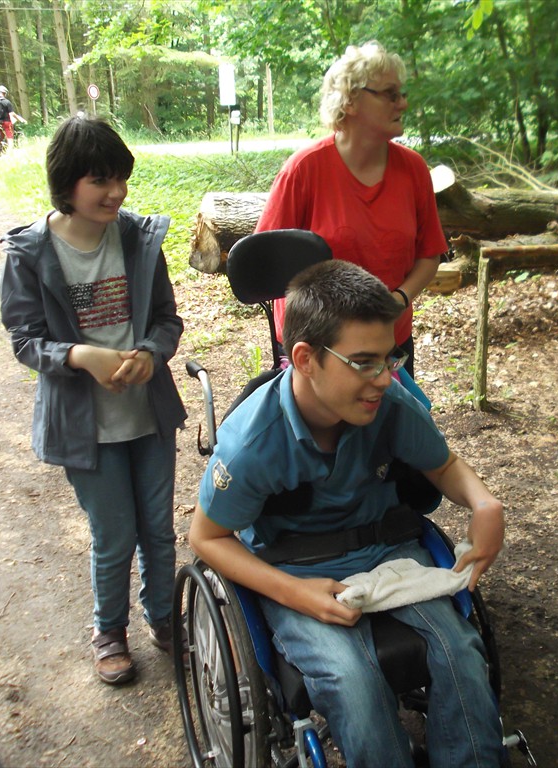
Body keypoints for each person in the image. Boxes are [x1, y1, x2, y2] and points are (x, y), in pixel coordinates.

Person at [189, 260, 508, 767]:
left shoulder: (390, 404)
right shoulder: (254, 443)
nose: (383, 379)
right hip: (293, 565)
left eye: (389, 358)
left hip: (386, 549)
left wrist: (484, 502)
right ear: (305, 358)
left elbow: (443, 464)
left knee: (460, 654)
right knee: (352, 678)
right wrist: (294, 593)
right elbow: (207, 538)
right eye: (363, 362)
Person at [0, 115, 187, 685]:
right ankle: (109, 630)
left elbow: (165, 320)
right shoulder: (31, 252)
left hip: (147, 414)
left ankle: (163, 618)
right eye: (100, 180)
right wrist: (81, 356)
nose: (116, 193)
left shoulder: (137, 238)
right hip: (87, 427)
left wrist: (152, 352)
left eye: (121, 178)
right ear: (67, 183)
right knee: (114, 533)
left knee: (156, 527)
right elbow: (25, 339)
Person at [255, 40, 447, 377]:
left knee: (388, 430)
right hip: (318, 350)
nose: (402, 103)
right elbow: (266, 265)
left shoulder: (414, 169)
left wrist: (399, 300)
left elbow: (429, 253)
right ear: (351, 99)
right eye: (390, 94)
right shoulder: (304, 169)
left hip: (389, 342)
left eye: (401, 94)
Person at [0, 85, 26, 150]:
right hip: (6, 121)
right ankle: (10, 151)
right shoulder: (7, 102)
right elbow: (12, 113)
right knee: (9, 137)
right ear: (5, 93)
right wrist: (19, 119)